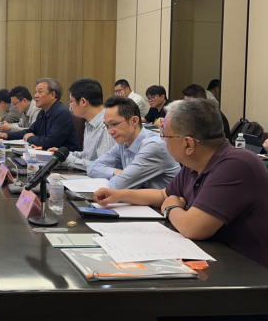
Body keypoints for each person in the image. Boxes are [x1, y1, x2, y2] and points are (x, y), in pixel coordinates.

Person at [94, 98, 268, 268]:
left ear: (188, 144)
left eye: (165, 135)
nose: (162, 140)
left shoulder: (236, 164)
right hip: (215, 257)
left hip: (249, 271)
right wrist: (118, 195)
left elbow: (193, 228)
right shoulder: (194, 163)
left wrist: (171, 208)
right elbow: (163, 195)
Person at [88, 95, 179, 189]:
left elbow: (120, 185)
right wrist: (116, 172)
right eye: (107, 126)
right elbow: (92, 167)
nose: (110, 131)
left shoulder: (153, 146)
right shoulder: (124, 141)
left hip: (165, 199)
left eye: (114, 124)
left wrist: (121, 177)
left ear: (134, 121)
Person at [46, 78, 115, 171]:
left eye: (71, 101)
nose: (70, 106)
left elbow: (105, 167)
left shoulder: (107, 126)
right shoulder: (90, 123)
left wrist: (70, 160)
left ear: (83, 101)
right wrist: (64, 155)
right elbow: (87, 156)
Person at [0, 78, 80, 151]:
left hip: (65, 160)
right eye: (36, 92)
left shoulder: (61, 113)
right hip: (47, 154)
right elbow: (31, 131)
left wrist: (30, 138)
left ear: (52, 95)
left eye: (40, 92)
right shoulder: (43, 112)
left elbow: (50, 142)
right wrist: (7, 135)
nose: (35, 95)